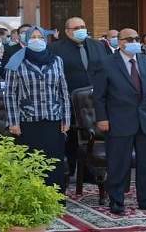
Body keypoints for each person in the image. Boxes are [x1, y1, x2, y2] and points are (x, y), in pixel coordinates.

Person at [93, 28, 146, 215]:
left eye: (136, 39)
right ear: (120, 41)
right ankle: (116, 201)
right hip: (118, 120)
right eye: (129, 39)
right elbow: (99, 96)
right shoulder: (106, 63)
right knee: (118, 163)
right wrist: (102, 118)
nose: (134, 42)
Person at [4, 26, 70, 193]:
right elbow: (10, 94)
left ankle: (54, 199)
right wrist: (13, 122)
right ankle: (32, 198)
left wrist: (66, 118)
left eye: (40, 37)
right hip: (28, 121)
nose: (37, 40)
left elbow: (63, 91)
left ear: (45, 40)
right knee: (30, 162)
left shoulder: (57, 60)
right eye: (32, 37)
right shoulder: (16, 61)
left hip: (53, 119)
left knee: (53, 161)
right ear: (26, 40)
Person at [49, 17, 109, 177]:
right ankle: (69, 170)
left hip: (95, 101)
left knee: (93, 136)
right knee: (71, 138)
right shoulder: (55, 48)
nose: (81, 30)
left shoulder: (98, 45)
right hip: (68, 100)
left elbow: (106, 68)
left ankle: (91, 172)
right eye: (76, 28)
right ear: (67, 31)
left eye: (83, 26)